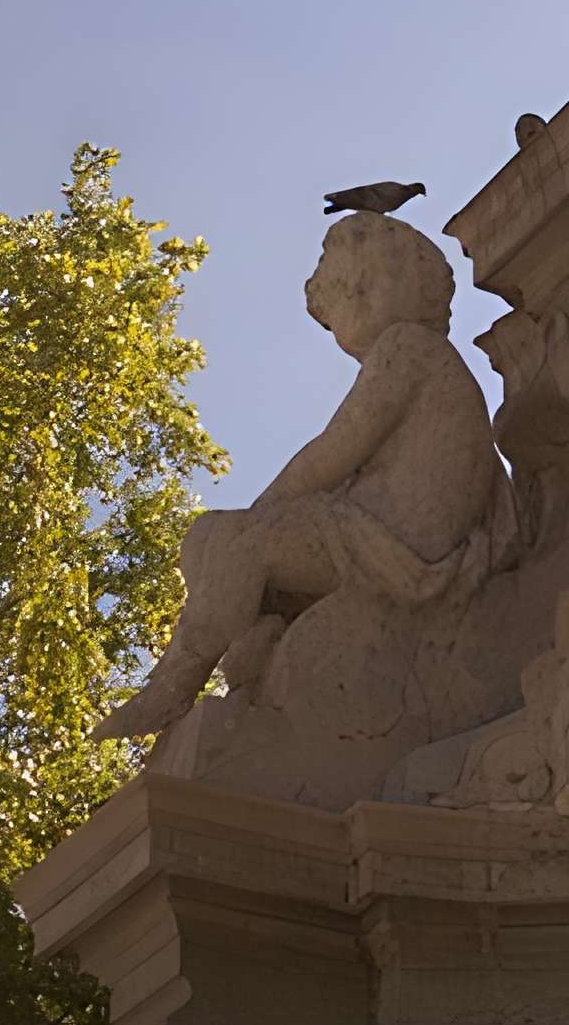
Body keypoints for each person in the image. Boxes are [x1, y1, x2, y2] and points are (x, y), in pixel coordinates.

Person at [96, 216, 507, 738]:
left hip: (396, 545)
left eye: (359, 284)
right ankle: (253, 645)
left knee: (239, 546)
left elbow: (331, 455)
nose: (349, 300)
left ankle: (175, 683)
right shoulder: (414, 356)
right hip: (377, 533)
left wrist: (256, 519)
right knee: (209, 537)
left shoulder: (408, 348)